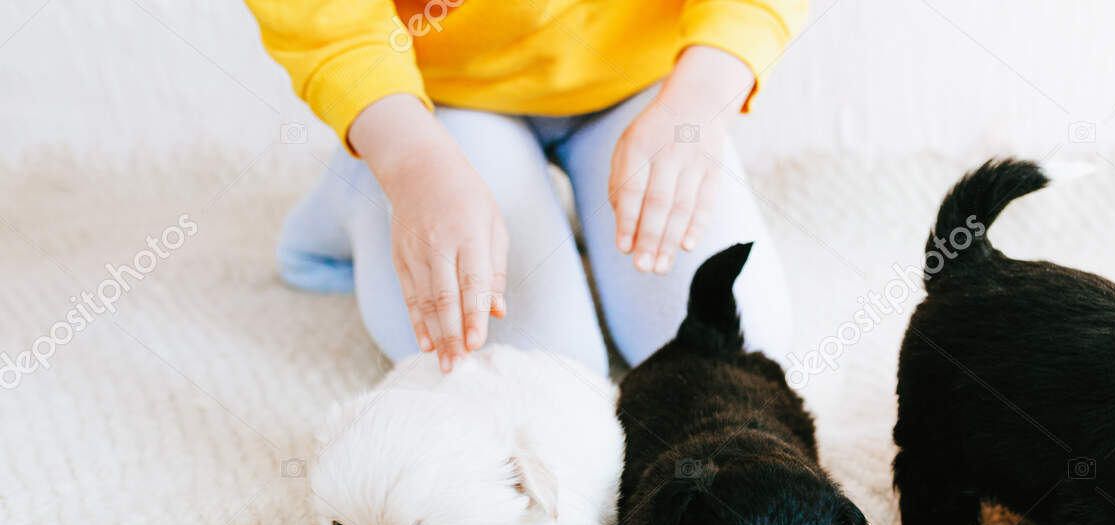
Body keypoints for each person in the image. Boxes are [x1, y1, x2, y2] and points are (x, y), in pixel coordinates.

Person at [244, 0, 807, 375]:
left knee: (729, 347)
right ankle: (364, 179)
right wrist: (411, 160)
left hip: (646, 83)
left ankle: (578, 204)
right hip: (438, 97)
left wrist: (698, 104)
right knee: (541, 374)